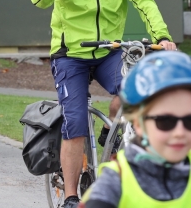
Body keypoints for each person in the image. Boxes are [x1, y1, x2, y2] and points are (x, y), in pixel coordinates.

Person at [30, 0, 177, 208]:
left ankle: (112, 130)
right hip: (70, 55)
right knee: (75, 122)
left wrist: (161, 36)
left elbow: (144, 1)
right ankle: (71, 196)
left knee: (137, 94)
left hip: (109, 52)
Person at [81, 51, 191, 208]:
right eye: (165, 121)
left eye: (189, 120)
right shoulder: (114, 183)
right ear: (139, 124)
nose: (180, 132)